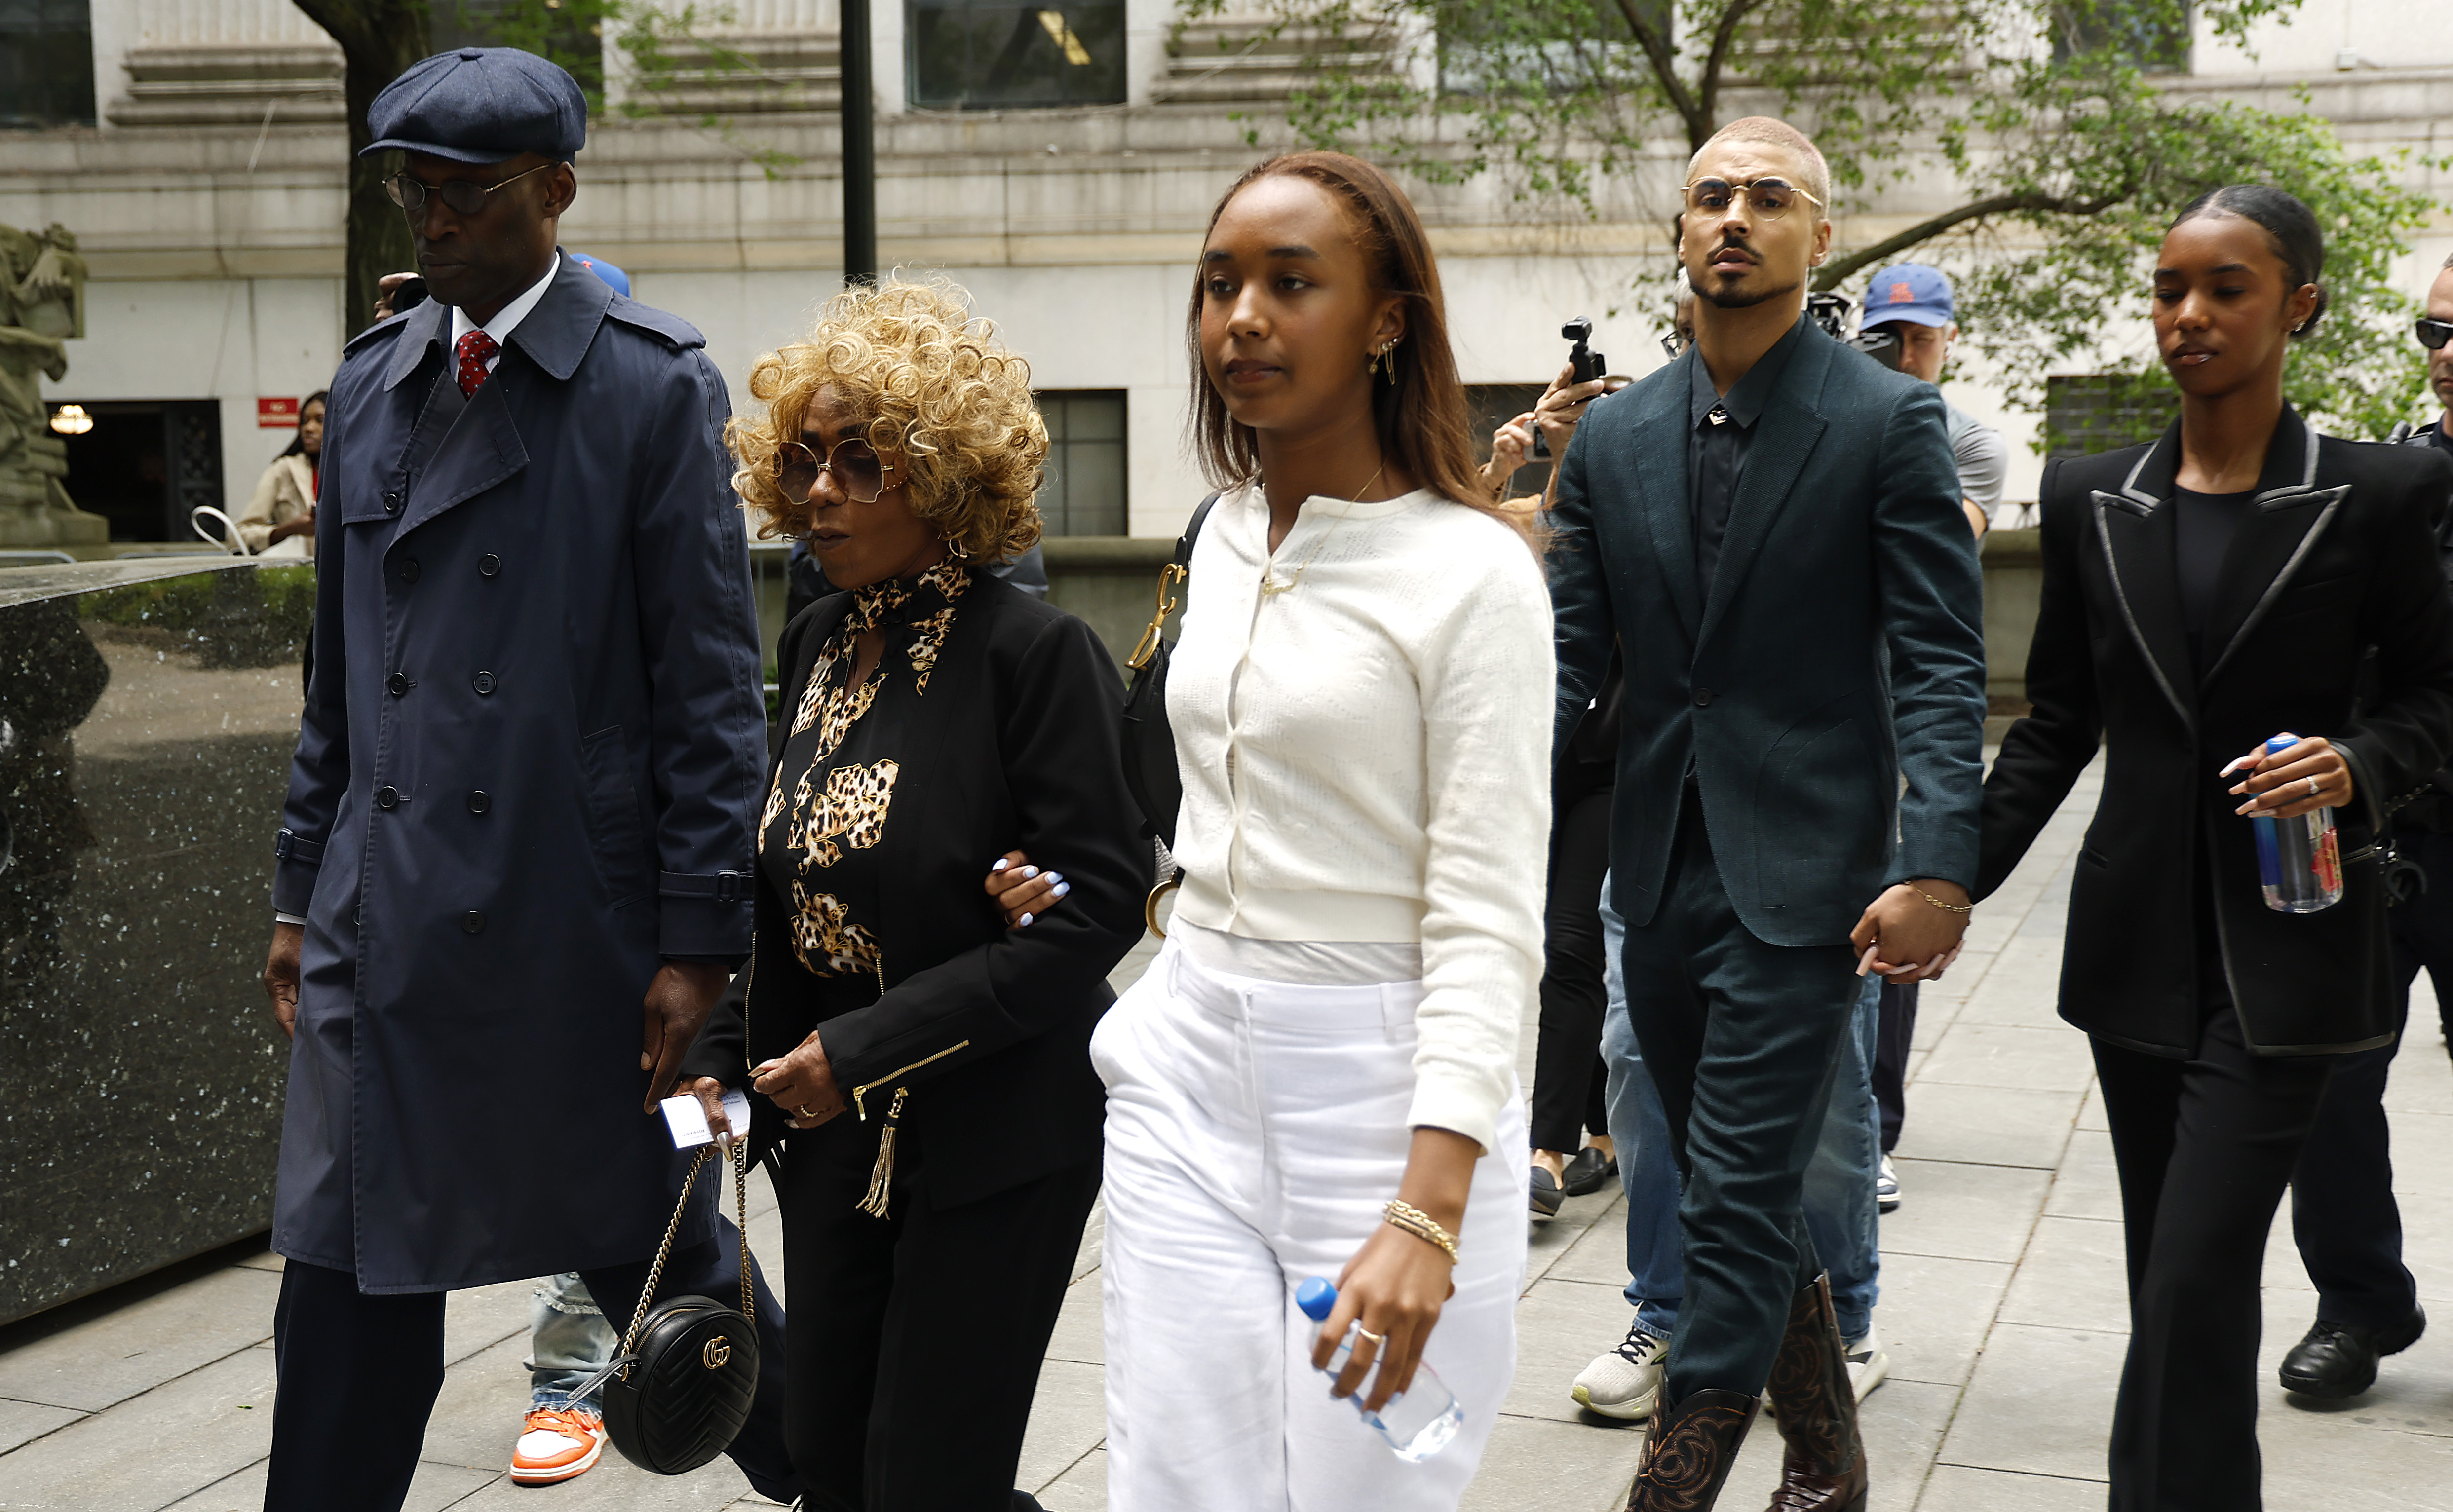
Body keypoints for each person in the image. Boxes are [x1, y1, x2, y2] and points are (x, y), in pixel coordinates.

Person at [256, 47, 795, 1511]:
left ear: (555, 193)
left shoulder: (647, 387)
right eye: (415, 191)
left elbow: (704, 690)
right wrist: (304, 890)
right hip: (385, 920)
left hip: (569, 924)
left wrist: (701, 943)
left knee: (670, 1278)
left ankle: (871, 1482)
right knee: (340, 1298)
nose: (432, 220)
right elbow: (342, 686)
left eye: (468, 192)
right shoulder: (369, 385)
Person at [1977, 185, 2453, 1511]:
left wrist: (2356, 765)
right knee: (2167, 1290)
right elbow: (2055, 722)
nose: (2188, 316)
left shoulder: (2375, 494)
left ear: (2296, 304)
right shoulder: (2090, 499)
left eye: (2225, 289)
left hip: (2292, 952)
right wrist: (1941, 872)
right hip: (2135, 953)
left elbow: (2435, 693)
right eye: (2170, 290)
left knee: (2192, 1273)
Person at [1093, 151, 1551, 1512]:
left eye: (1294, 284)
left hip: (1380, 1083)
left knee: (1368, 1491)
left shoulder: (1474, 575)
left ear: (1386, 320)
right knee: (1176, 1481)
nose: (1243, 317)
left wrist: (1429, 1205)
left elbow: (1487, 912)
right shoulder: (1222, 534)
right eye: (1220, 284)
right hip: (1187, 1067)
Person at [1550, 116, 1986, 1511]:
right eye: (1709, 197)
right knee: (1727, 1184)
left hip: (1808, 880)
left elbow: (1938, 663)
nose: (1734, 217)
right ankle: (1829, 1459)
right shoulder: (1611, 441)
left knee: (1732, 1202)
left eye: (1768, 198)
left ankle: (1665, 1497)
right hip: (1653, 877)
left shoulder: (1886, 421)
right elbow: (1565, 667)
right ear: (1679, 232)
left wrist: (1938, 865)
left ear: (1819, 235)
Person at [673, 277, 1149, 1512]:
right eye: (804, 459)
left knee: (929, 1474)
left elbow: (1094, 906)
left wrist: (860, 1048)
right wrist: (727, 1052)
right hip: (833, 1142)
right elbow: (797, 883)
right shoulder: (820, 635)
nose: (819, 491)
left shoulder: (1037, 656)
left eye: (860, 462)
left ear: (940, 476)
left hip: (991, 1136)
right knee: (828, 1460)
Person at [2273, 248, 2453, 1402]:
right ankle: (2359, 1304)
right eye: (2435, 333)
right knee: (2327, 1080)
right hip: (2390, 831)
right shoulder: (2403, 480)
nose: (2448, 356)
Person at [1857, 262, 2007, 1213]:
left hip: (1906, 697)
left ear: (1947, 338)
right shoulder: (1830, 414)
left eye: (1922, 335)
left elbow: (1936, 550)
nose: (1906, 351)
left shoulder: (1970, 442)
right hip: (1820, 692)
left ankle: (1875, 1127)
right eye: (1889, 335)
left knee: (1899, 902)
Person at [1482, 367, 1625, 1216]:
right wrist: (1504, 463)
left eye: (1596, 420)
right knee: (1564, 947)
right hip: (1539, 757)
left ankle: (1547, 1146)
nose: (1579, 429)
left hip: (1613, 759)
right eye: (1570, 417)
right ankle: (1601, 1127)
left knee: (1572, 943)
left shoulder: (1641, 512)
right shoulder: (1529, 519)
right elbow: (1436, 537)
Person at [236, 390, 324, 556]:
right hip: (298, 575)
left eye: (320, 421)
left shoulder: (357, 471)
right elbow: (241, 535)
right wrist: (290, 530)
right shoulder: (283, 470)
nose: (309, 428)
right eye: (304, 422)